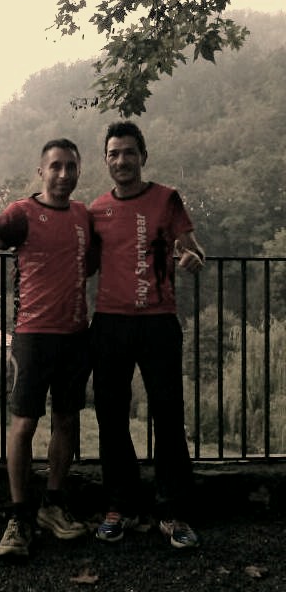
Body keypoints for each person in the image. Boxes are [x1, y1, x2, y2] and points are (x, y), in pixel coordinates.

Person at [0, 138, 91, 559]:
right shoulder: (21, 212)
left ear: (78, 171)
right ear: (41, 171)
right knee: (23, 424)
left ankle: (52, 506)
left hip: (75, 334)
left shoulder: (83, 215)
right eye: (55, 166)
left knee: (67, 420)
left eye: (70, 166)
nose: (63, 174)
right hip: (33, 335)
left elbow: (91, 261)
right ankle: (19, 516)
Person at [89, 121, 205, 549]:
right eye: (114, 154)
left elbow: (194, 248)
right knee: (111, 416)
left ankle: (172, 511)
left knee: (168, 415)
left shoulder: (166, 198)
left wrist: (192, 258)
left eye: (129, 152)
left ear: (143, 156)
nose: (121, 160)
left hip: (158, 322)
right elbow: (83, 262)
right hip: (110, 323)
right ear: (106, 160)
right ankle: (120, 506)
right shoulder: (96, 209)